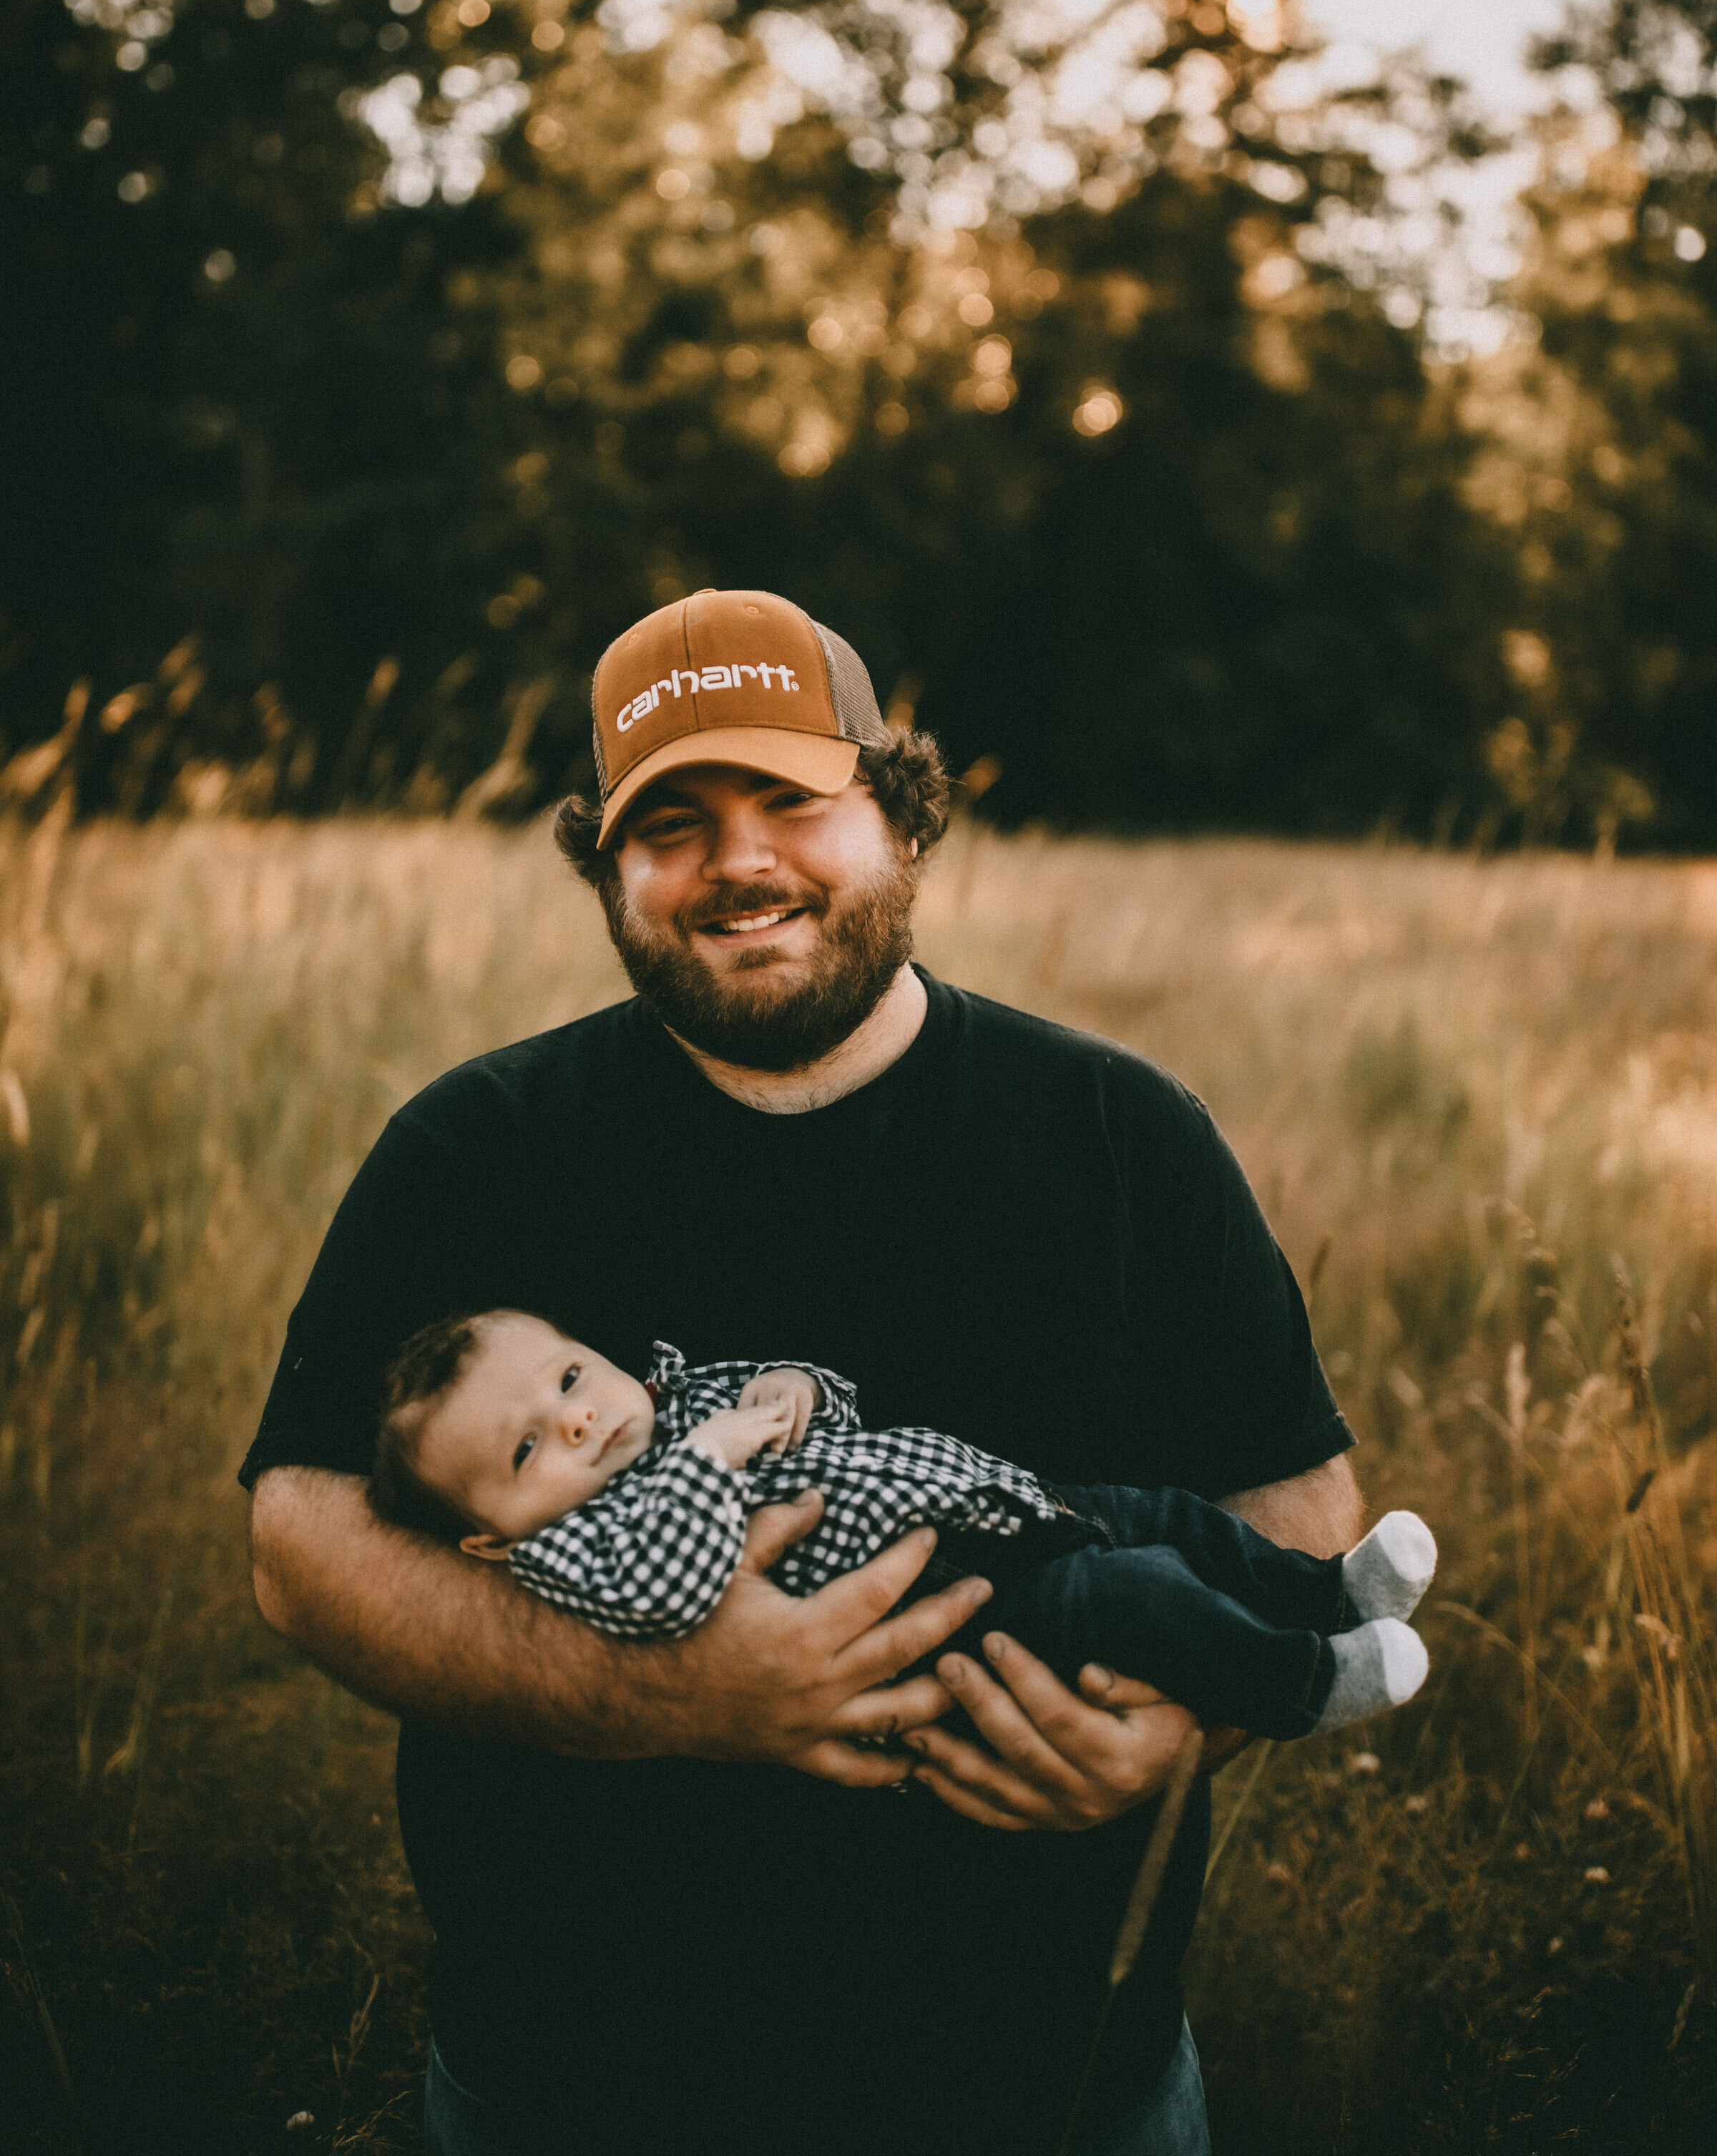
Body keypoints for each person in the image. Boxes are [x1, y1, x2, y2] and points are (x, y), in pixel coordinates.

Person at [243, 585, 1366, 2156]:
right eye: (674, 820)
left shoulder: (1121, 1133)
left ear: (896, 815)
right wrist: (662, 1696)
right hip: (583, 2084)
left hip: (1047, 2088)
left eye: (790, 797)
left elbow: (1303, 1506)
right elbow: (299, 1546)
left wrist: (1197, 1721)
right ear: (609, 864)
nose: (741, 862)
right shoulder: (474, 1151)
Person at [369, 1315, 1434, 1742]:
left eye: (568, 1376)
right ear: (493, 1541)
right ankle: (1304, 1681)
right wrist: (715, 1454)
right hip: (962, 1602)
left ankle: (1328, 1589)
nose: (579, 1417)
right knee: (1140, 1593)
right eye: (526, 1451)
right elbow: (674, 1584)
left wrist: (795, 1392)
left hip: (1002, 1498)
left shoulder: (681, 1396)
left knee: (1170, 1520)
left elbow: (832, 1403)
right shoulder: (580, 1550)